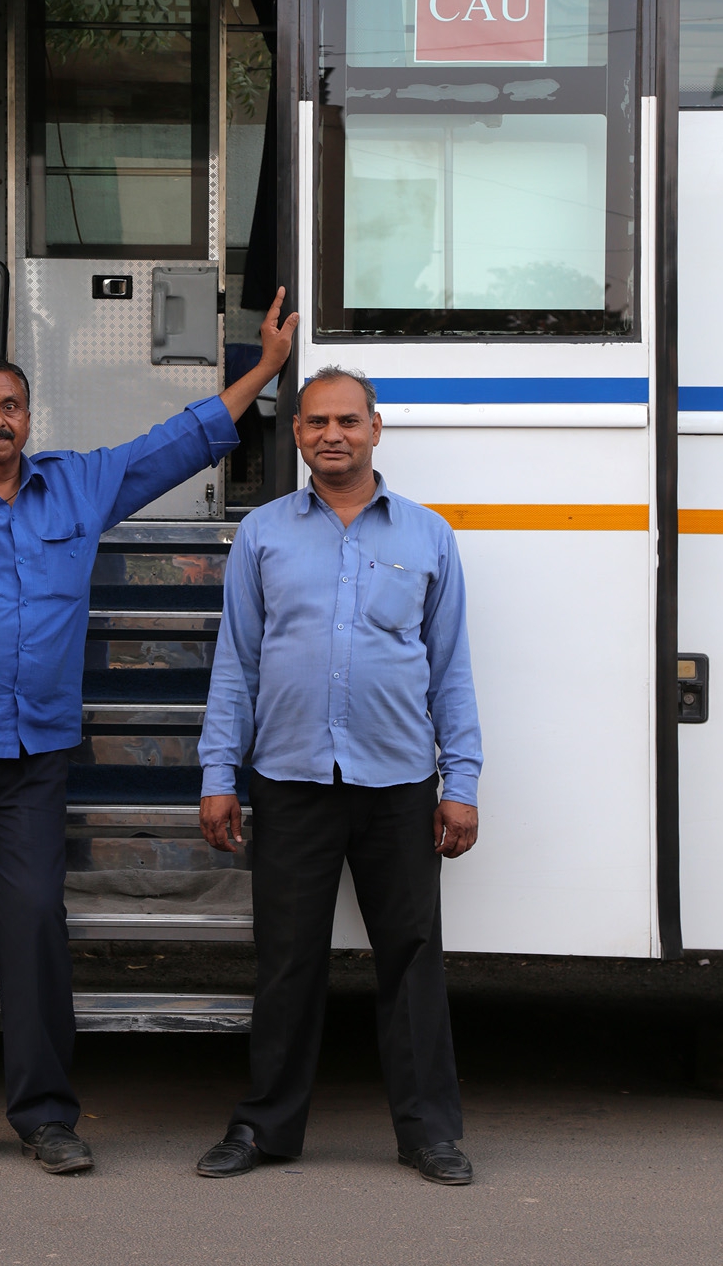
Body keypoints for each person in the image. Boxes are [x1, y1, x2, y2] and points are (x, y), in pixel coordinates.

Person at [0, 290, 297, 1173]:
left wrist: (265, 372)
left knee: (35, 931)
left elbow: (175, 445)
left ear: (28, 415)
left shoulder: (77, 485)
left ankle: (47, 1116)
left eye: (10, 405)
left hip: (31, 760)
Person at [196, 366, 482, 1184]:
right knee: (287, 961)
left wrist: (458, 781)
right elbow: (237, 664)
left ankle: (430, 1133)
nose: (332, 434)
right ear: (296, 435)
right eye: (316, 421)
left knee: (411, 956)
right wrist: (220, 771)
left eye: (347, 420)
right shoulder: (263, 534)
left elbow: (450, 668)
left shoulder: (427, 536)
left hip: (397, 783)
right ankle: (265, 1129)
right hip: (289, 780)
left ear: (375, 428)